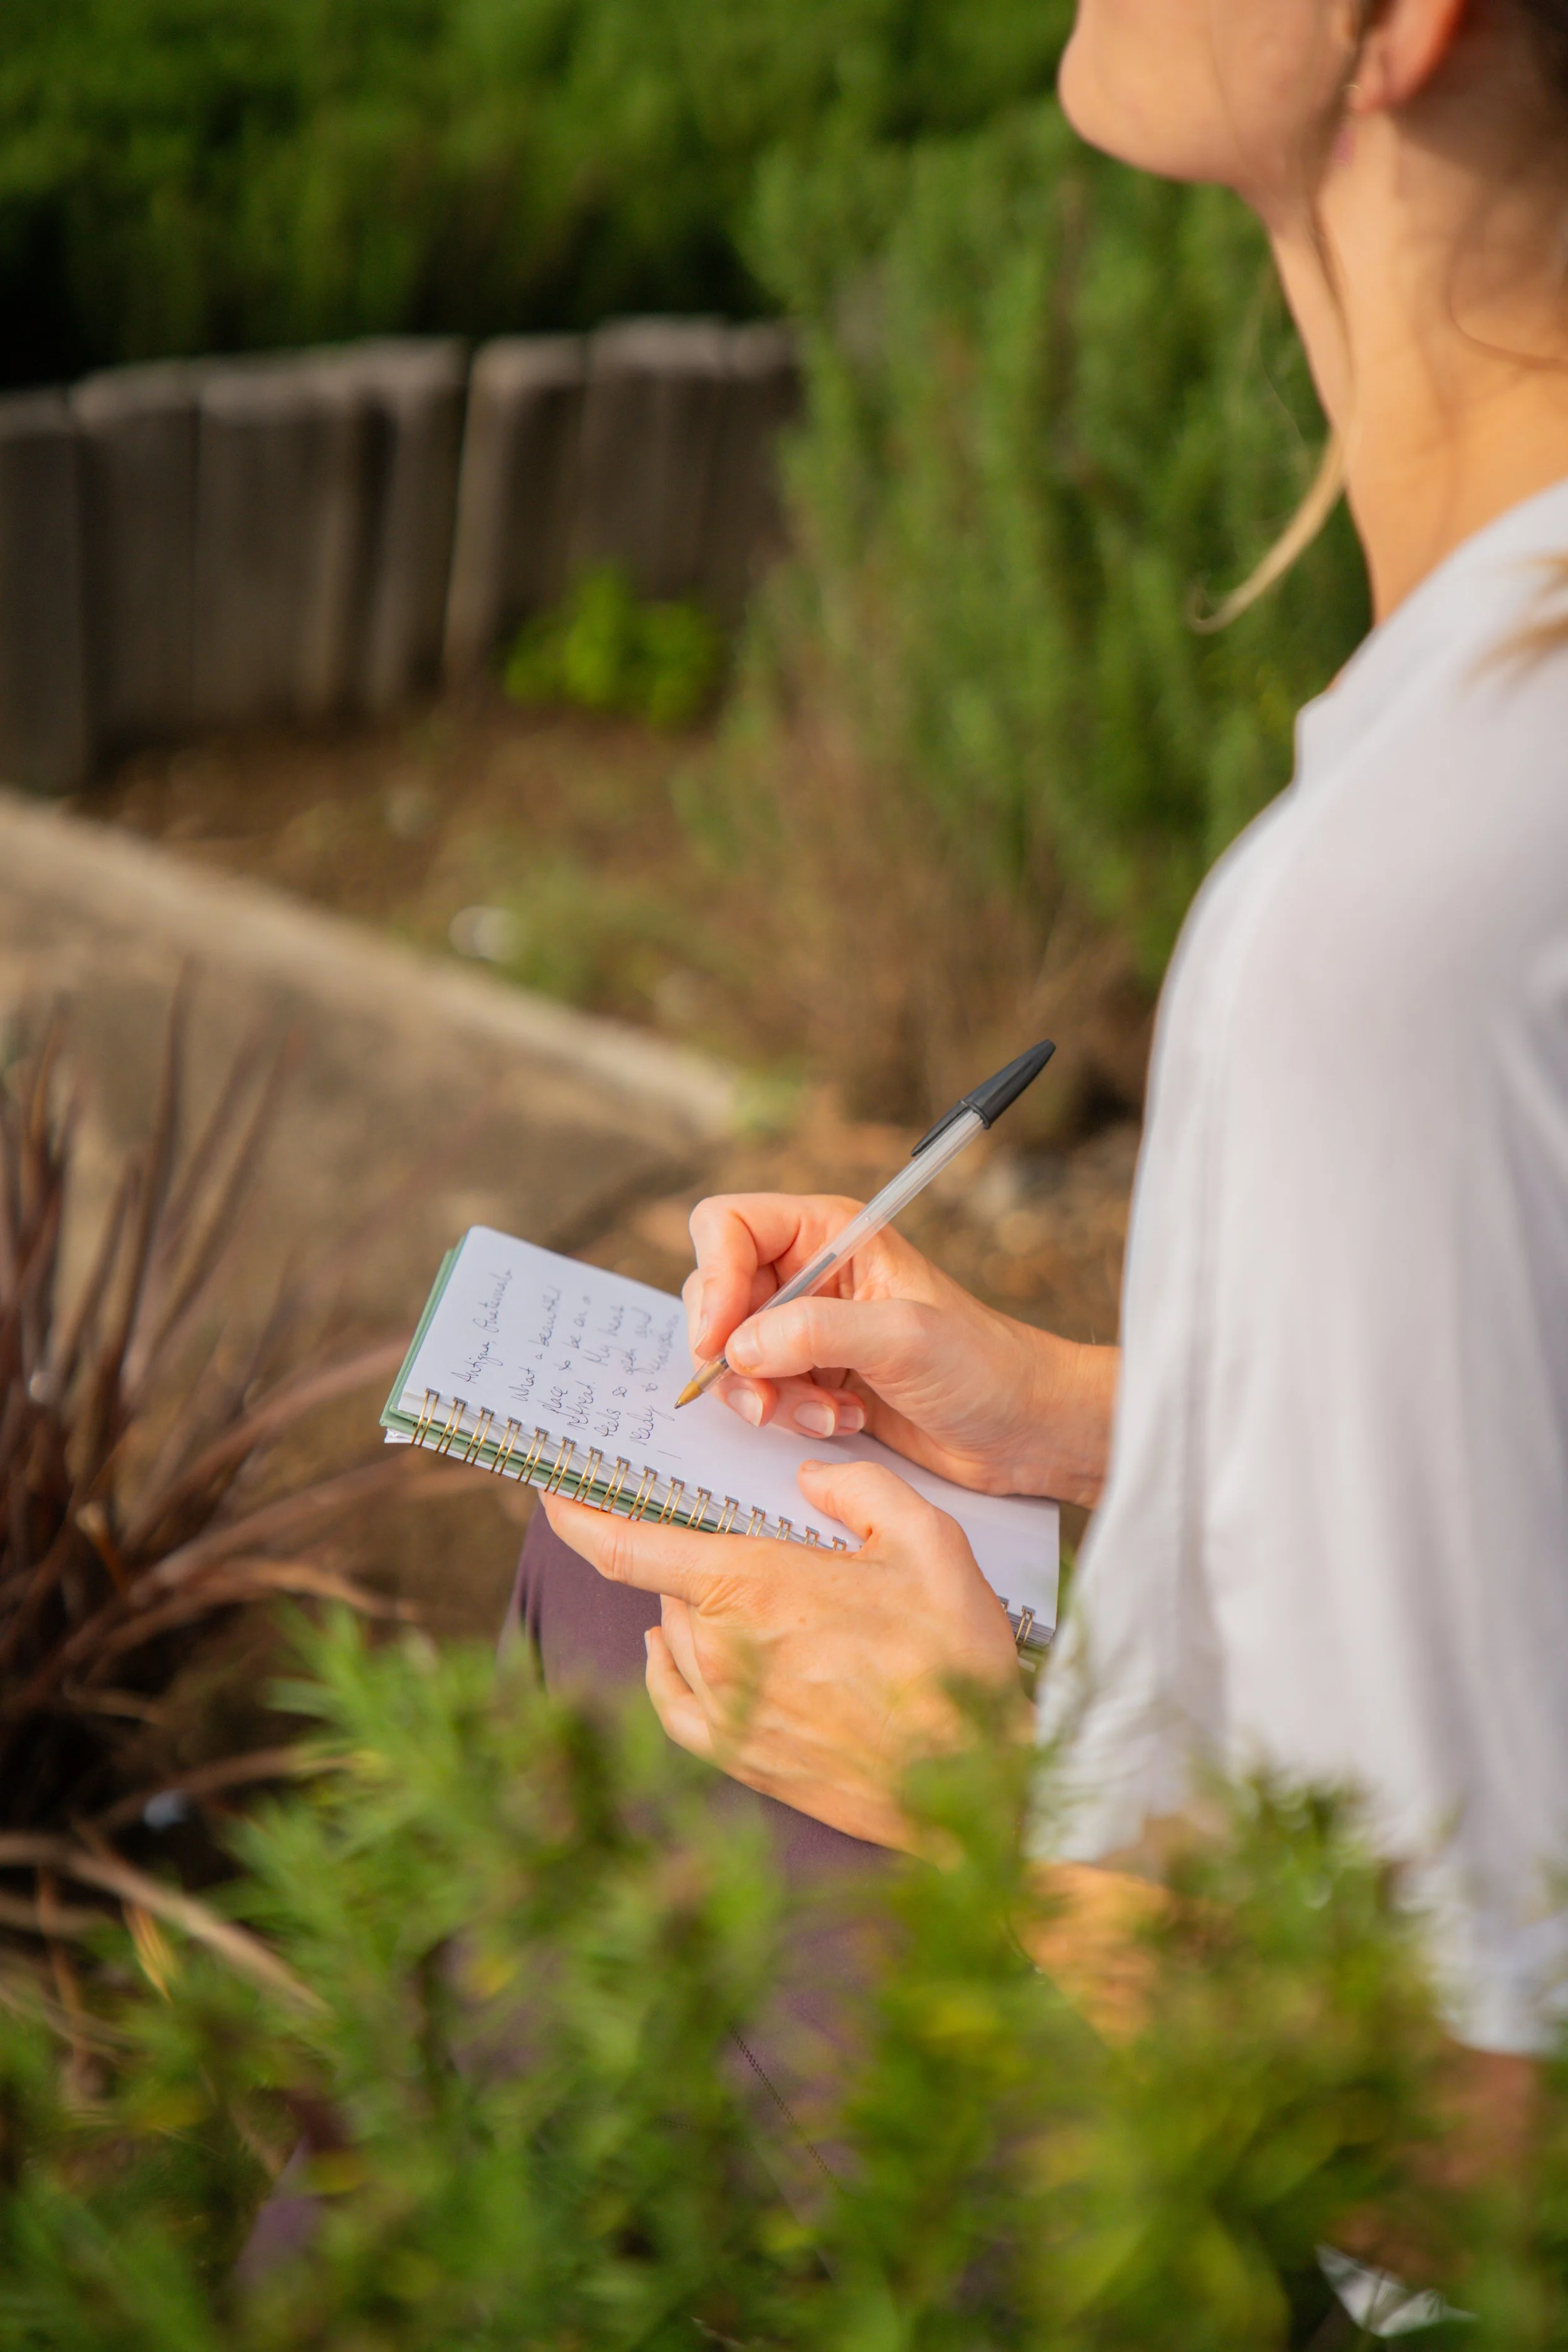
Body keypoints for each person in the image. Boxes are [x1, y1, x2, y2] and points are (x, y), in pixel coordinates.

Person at [523, 0, 1568, 2168]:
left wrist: (975, 1807)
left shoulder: (1403, 925)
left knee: (593, 1641)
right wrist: (1081, 1411)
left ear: (1407, 28)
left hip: (1309, 2233)